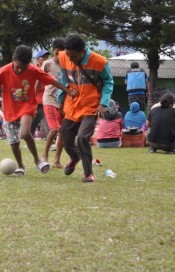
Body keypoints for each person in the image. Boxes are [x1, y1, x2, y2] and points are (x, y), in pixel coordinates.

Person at [0, 45, 72, 176]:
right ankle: (20, 165)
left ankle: (37, 160)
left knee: (25, 132)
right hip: (10, 110)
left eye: (23, 67)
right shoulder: (4, 71)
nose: (19, 70)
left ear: (28, 64)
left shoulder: (33, 70)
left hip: (27, 106)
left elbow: (52, 80)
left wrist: (68, 90)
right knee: (14, 142)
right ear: (13, 59)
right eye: (18, 66)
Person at [59, 34, 114, 183]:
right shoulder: (63, 56)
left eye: (74, 56)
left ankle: (88, 173)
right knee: (65, 134)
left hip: (91, 105)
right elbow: (63, 79)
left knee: (83, 137)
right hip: (72, 103)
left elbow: (109, 82)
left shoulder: (99, 61)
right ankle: (75, 157)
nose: (70, 59)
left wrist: (103, 103)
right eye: (68, 55)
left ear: (82, 51)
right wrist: (61, 97)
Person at [41, 38, 65, 168]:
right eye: (56, 53)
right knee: (54, 128)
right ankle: (44, 156)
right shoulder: (47, 64)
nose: (58, 56)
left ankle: (56, 160)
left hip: (62, 102)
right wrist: (34, 99)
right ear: (53, 51)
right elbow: (38, 80)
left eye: (61, 53)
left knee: (62, 131)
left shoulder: (68, 65)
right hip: (49, 99)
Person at [31, 49, 51, 138]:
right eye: (43, 57)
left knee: (49, 122)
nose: (46, 59)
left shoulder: (50, 70)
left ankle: (52, 141)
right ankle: (28, 138)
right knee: (34, 121)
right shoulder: (33, 69)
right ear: (38, 59)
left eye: (47, 57)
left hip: (48, 99)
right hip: (36, 100)